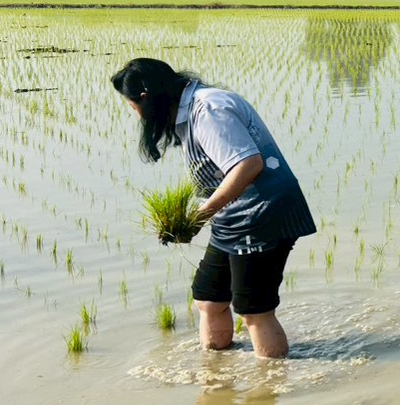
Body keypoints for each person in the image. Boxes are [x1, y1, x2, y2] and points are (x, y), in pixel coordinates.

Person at [111, 58, 316, 358]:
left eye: (133, 106)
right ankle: (216, 376)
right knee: (209, 298)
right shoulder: (188, 110)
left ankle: (271, 383)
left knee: (254, 310)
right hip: (233, 216)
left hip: (262, 213)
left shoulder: (208, 109)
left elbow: (248, 165)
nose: (136, 114)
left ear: (146, 97)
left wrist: (198, 217)